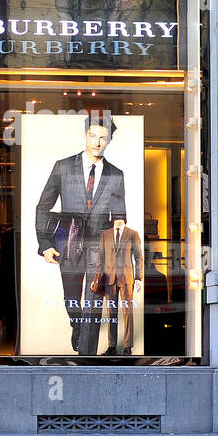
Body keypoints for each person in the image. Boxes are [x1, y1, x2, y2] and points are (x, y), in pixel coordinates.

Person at [35, 112, 127, 356]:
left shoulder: (115, 175)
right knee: (72, 299)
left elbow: (120, 215)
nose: (97, 142)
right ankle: (77, 325)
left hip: (99, 247)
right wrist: (45, 244)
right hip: (68, 244)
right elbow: (43, 206)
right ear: (85, 135)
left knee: (95, 301)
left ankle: (87, 356)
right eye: (92, 135)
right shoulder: (63, 167)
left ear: (109, 141)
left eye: (102, 138)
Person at [96, 219, 143, 356]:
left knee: (127, 313)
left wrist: (138, 277)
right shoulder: (105, 234)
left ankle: (128, 346)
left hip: (127, 278)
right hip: (109, 278)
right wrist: (98, 277)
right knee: (112, 313)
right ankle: (112, 346)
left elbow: (139, 257)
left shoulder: (133, 234)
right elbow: (100, 256)